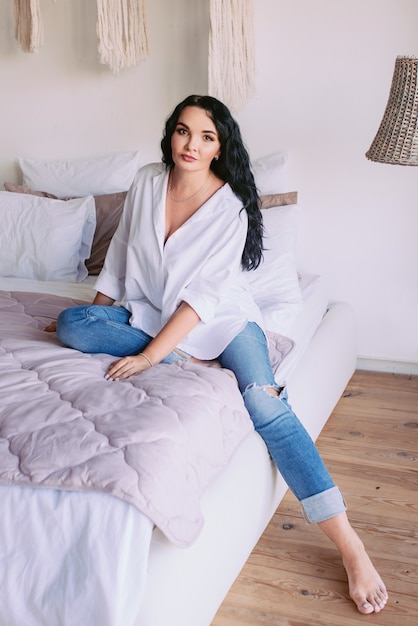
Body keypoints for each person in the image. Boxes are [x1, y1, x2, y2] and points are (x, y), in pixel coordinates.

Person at [50, 94, 388, 614]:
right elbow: (119, 256)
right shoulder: (145, 181)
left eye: (206, 137)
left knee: (265, 403)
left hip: (222, 325)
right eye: (184, 131)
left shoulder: (229, 208)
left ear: (219, 147)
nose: (191, 144)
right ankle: (183, 360)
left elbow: (203, 299)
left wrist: (147, 357)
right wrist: (99, 317)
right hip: (153, 316)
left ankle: (349, 545)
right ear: (171, 134)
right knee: (72, 324)